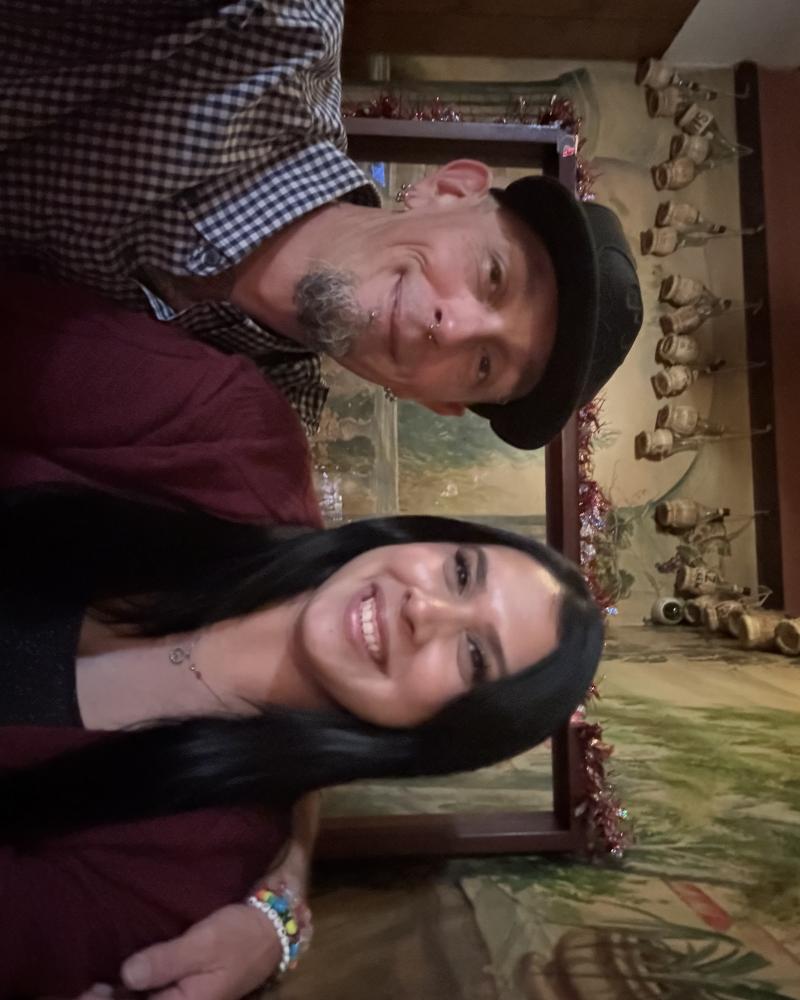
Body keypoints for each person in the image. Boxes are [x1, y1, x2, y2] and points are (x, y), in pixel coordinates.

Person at [0, 486, 605, 995]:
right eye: (461, 572)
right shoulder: (238, 474)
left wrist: (282, 920)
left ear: (448, 734)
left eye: (473, 656)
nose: (424, 610)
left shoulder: (205, 854)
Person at [0, 0, 643, 449]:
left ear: (434, 400)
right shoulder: (267, 30)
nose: (454, 328)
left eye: (483, 364)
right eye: (493, 276)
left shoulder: (238, 439)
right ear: (448, 190)